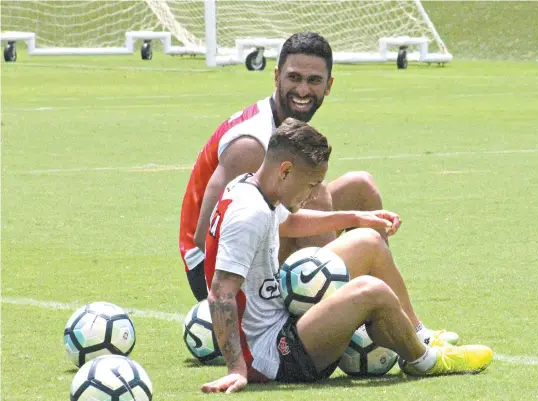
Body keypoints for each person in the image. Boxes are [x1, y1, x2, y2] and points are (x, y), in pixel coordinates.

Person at [200, 119, 493, 393]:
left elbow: (286, 224)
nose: (313, 193)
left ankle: (418, 333)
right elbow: (220, 294)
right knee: (371, 290)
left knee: (368, 241)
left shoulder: (250, 188)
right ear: (285, 171)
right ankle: (426, 360)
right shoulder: (249, 214)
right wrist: (237, 368)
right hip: (272, 354)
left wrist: (357, 217)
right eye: (311, 184)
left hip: (281, 314)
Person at [179, 31, 384, 303]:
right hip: (213, 271)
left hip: (253, 244)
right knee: (317, 197)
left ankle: (399, 322)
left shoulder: (288, 124)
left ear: (328, 85)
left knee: (361, 187)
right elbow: (206, 235)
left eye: (314, 81)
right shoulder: (252, 144)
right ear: (277, 77)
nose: (302, 90)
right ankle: (332, 313)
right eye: (294, 77)